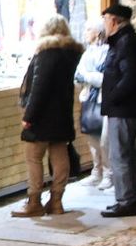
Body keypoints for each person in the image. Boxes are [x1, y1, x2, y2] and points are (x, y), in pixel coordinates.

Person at [16, 16, 85, 216]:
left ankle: (34, 201)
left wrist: (29, 115)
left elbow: (40, 87)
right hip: (62, 113)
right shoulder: (70, 53)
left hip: (43, 115)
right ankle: (56, 201)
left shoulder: (47, 53)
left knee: (33, 157)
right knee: (59, 154)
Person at [99, 3, 136, 218]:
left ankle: (127, 200)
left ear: (114, 21)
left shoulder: (127, 43)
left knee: (120, 155)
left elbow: (130, 78)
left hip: (123, 109)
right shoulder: (124, 41)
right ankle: (129, 198)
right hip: (123, 107)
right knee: (123, 155)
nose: (104, 24)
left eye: (106, 19)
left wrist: (112, 97)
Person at [74, 21, 110, 187]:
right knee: (92, 139)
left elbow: (105, 79)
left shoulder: (107, 51)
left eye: (89, 29)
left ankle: (109, 173)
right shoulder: (88, 52)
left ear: (98, 32)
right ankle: (97, 171)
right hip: (89, 98)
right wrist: (85, 77)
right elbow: (78, 74)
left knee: (105, 140)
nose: (85, 32)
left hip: (103, 100)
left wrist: (88, 76)